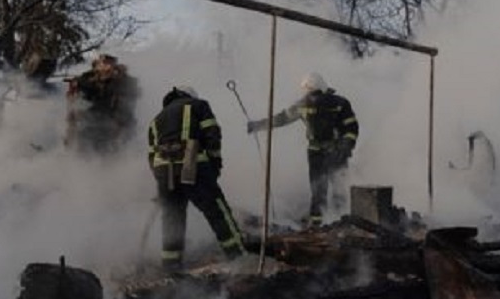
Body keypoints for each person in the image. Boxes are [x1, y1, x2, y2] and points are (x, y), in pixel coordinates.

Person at [148, 86, 247, 271]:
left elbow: (152, 156)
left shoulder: (156, 119)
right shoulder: (198, 105)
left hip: (163, 171)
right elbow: (212, 134)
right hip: (191, 162)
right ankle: (238, 256)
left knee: (172, 217)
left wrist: (161, 182)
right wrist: (215, 163)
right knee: (216, 210)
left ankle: (171, 265)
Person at [247, 72, 358, 228]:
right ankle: (318, 226)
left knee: (337, 189)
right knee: (318, 190)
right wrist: (259, 125)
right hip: (317, 153)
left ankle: (342, 223)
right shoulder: (304, 105)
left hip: (335, 151)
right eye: (310, 93)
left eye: (314, 93)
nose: (313, 98)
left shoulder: (339, 103)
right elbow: (281, 118)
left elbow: (351, 128)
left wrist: (346, 146)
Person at [65, 53, 139, 154]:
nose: (105, 66)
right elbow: (81, 91)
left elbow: (128, 95)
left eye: (108, 63)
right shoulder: (87, 77)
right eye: (102, 63)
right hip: (91, 121)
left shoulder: (124, 80)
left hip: (114, 122)